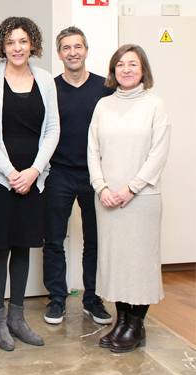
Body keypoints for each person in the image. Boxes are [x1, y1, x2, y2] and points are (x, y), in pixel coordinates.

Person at [0, 17, 59, 352]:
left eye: (23, 41)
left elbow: (53, 129)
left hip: (34, 180)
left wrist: (34, 171)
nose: (17, 48)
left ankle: (17, 318)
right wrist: (11, 172)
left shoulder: (46, 80)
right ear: (1, 47)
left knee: (23, 246)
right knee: (0, 247)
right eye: (10, 42)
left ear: (32, 44)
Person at [88, 44, 170, 353]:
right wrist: (102, 188)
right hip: (108, 200)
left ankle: (136, 324)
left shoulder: (155, 105)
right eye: (120, 64)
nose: (126, 70)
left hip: (141, 199)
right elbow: (92, 150)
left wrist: (130, 189)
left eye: (133, 65)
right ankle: (121, 322)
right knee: (116, 263)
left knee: (139, 263)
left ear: (143, 70)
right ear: (113, 71)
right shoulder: (104, 106)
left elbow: (157, 154)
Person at [42, 26, 114, 326]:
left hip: (95, 176)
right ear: (59, 54)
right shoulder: (50, 88)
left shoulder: (105, 88)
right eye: (66, 48)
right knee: (54, 239)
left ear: (86, 50)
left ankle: (92, 299)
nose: (73, 52)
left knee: (95, 240)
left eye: (78, 47)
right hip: (58, 173)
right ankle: (57, 298)